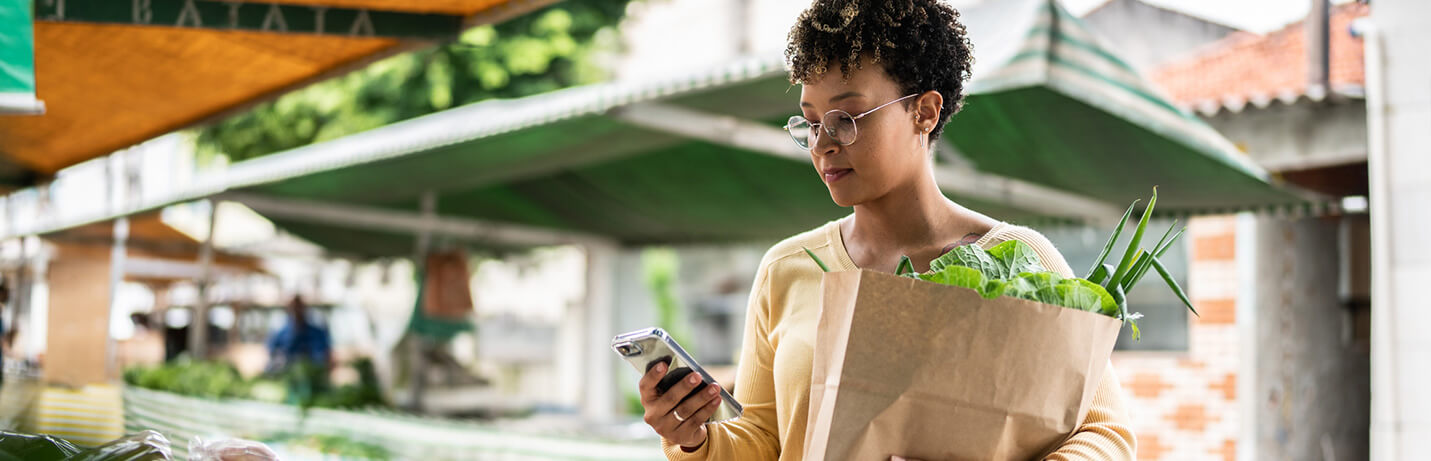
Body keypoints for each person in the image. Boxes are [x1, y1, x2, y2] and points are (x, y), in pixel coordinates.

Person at [633, 1, 1136, 460]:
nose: (822, 144)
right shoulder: (786, 269)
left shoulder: (1019, 258)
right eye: (810, 122)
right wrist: (693, 436)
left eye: (847, 117)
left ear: (925, 111)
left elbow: (1103, 436)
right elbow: (765, 439)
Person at [265, 295, 331, 373]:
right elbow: (272, 351)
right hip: (287, 372)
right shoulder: (281, 333)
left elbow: (325, 353)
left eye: (299, 308)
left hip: (311, 373)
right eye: (294, 308)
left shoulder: (317, 333)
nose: (297, 311)